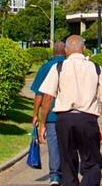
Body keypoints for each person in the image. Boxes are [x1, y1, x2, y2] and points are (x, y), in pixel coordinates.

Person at [34, 35, 102, 186]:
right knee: (92, 163)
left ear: (67, 50)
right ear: (83, 49)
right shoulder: (97, 69)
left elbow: (48, 97)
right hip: (88, 120)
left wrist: (42, 123)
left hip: (64, 120)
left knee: (67, 163)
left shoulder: (59, 68)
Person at [28, 42, 68, 185]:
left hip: (50, 114)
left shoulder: (45, 67)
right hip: (69, 113)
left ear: (53, 52)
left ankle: (55, 176)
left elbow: (39, 94)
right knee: (69, 145)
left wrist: (35, 115)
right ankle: (67, 172)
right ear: (66, 51)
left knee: (53, 145)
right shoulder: (70, 66)